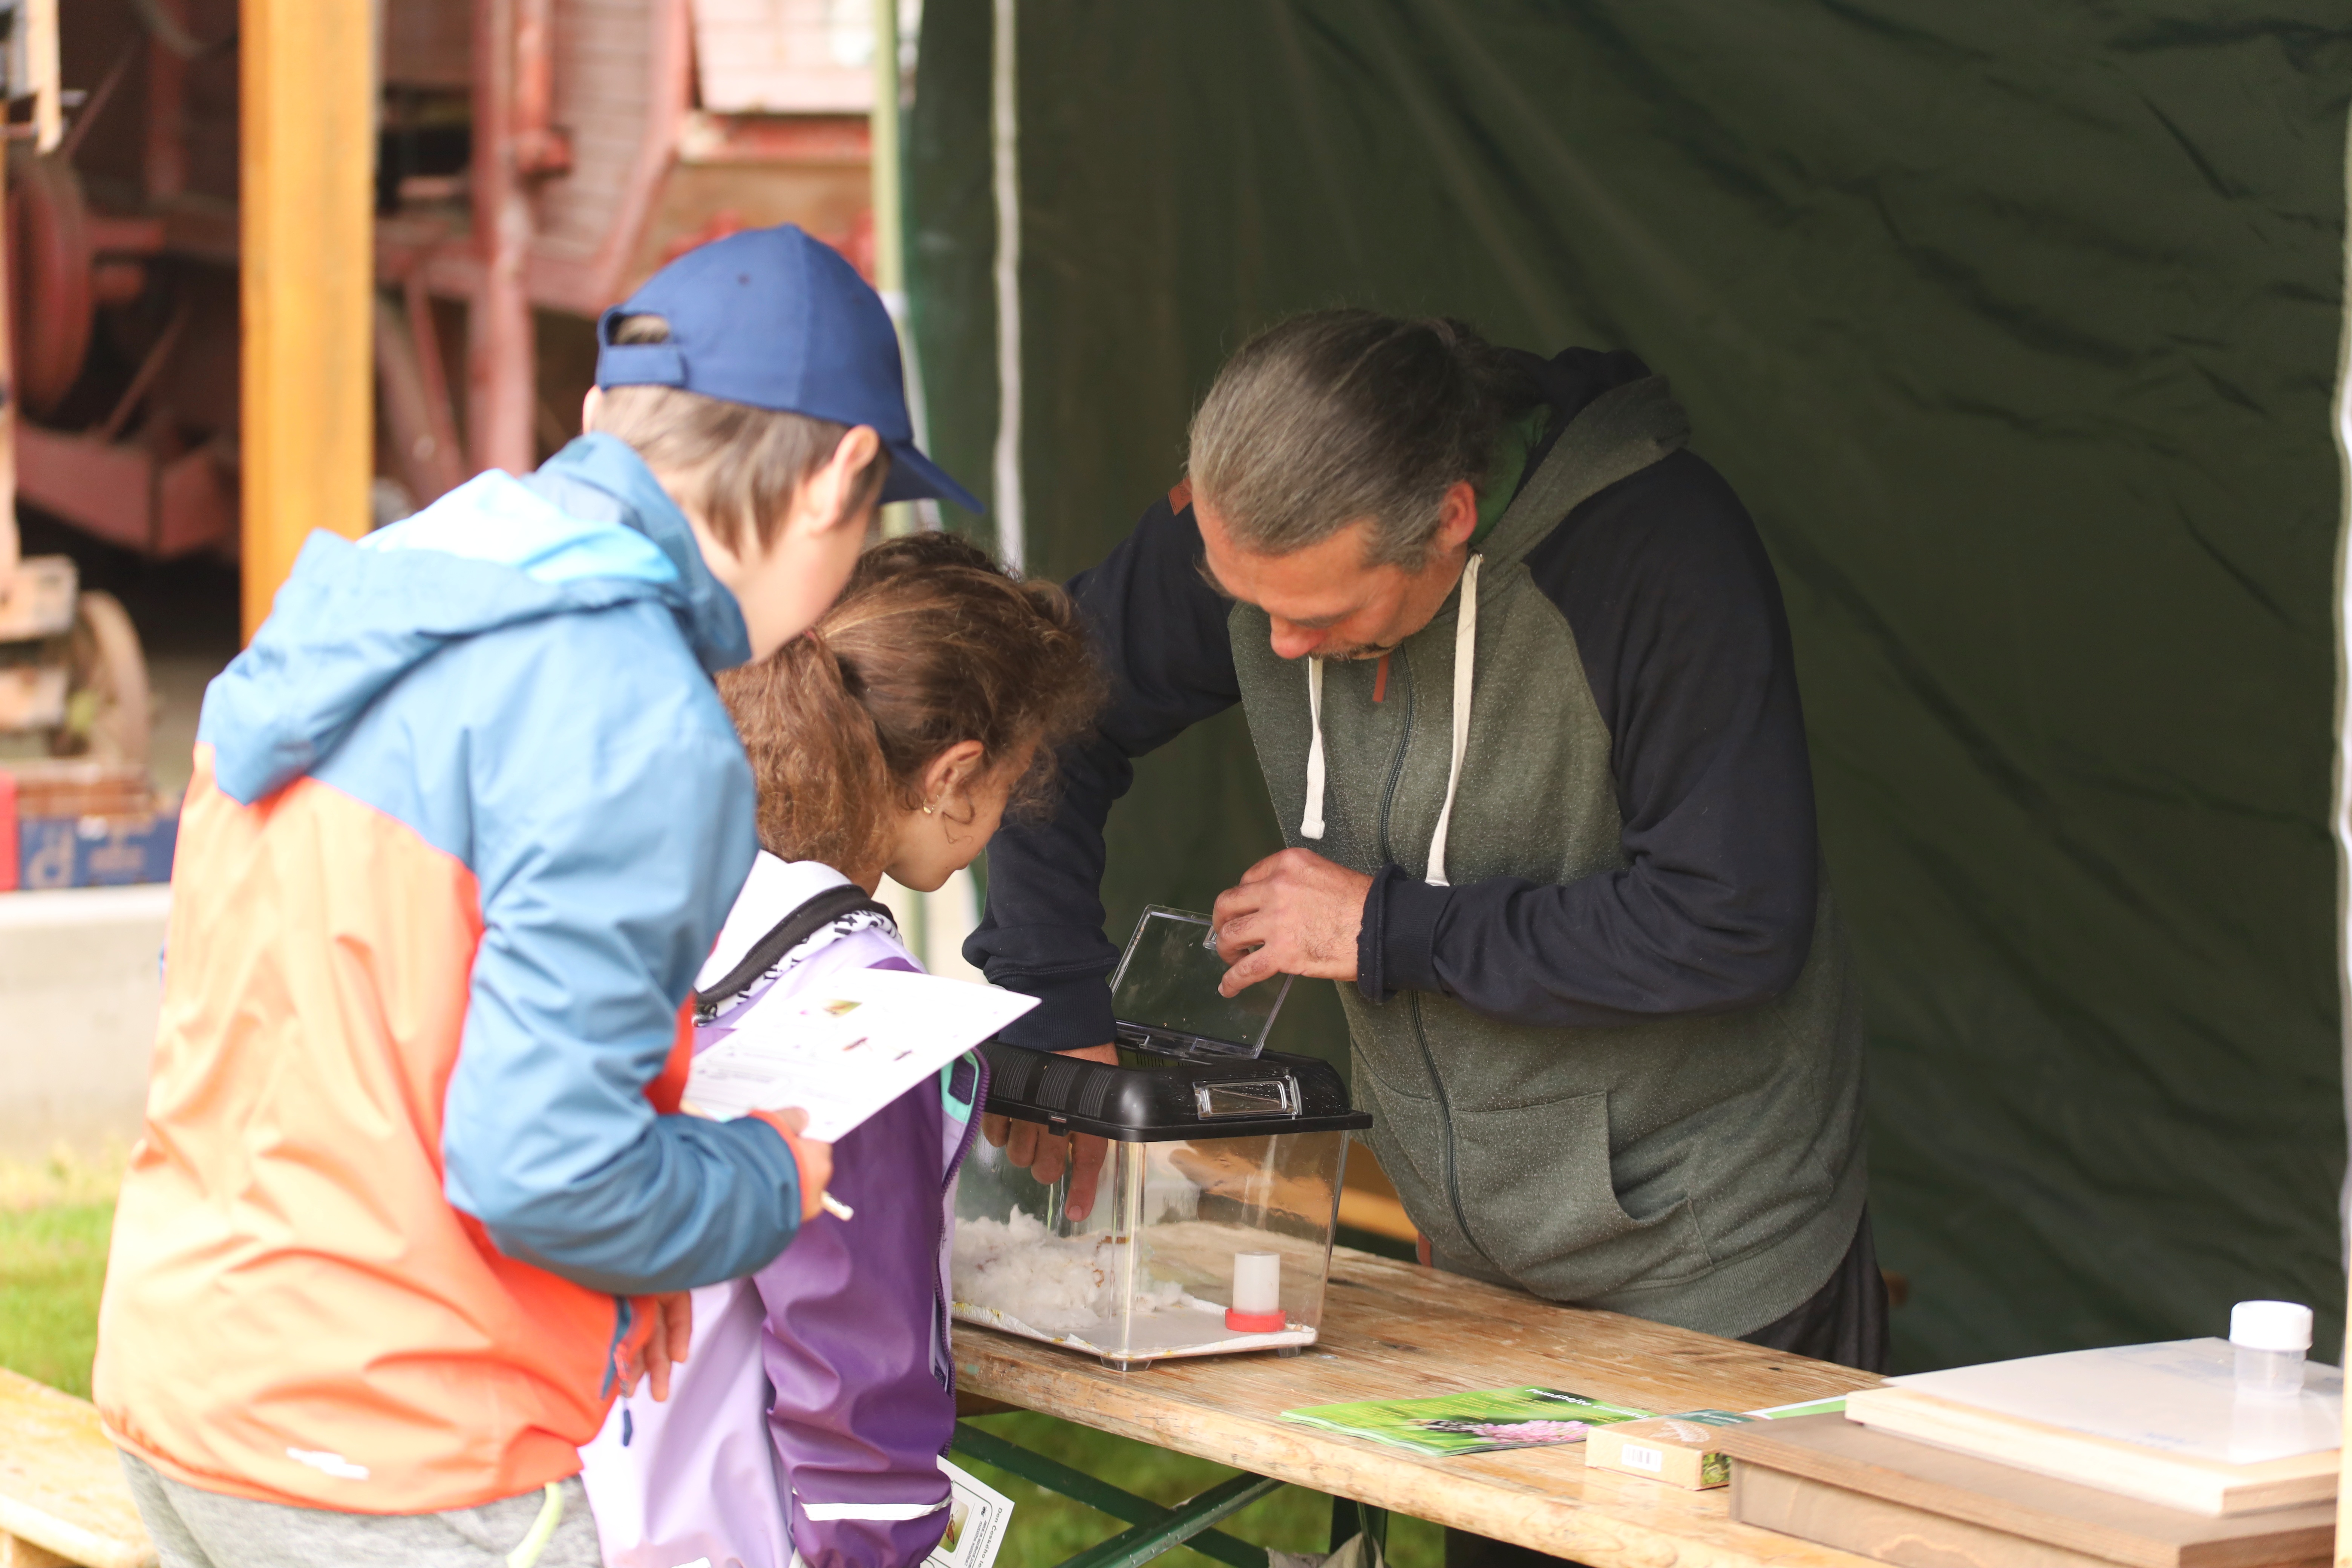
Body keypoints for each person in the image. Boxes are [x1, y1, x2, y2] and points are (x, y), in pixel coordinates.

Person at [94, 225, 982, 1568]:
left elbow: (311, 1019)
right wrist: (764, 1178)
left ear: (604, 414)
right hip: (401, 1453)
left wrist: (625, 1257)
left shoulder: (372, 605)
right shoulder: (634, 712)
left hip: (193, 1382)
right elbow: (541, 1173)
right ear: (838, 477)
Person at [971, 309, 1883, 1391]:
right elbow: (1034, 722)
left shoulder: (1658, 553)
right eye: (1243, 600)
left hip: (1710, 1255)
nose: (1278, 646)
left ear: (1451, 516)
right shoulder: (1257, 541)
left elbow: (1730, 920)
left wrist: (1383, 930)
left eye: (1322, 614)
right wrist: (1053, 1012)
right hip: (1468, 1256)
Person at [577, 533, 1101, 1568]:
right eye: (1014, 784)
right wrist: (877, 1546)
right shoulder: (860, 1006)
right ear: (956, 776)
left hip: (551, 1495)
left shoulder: (640, 890)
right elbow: (855, 1365)